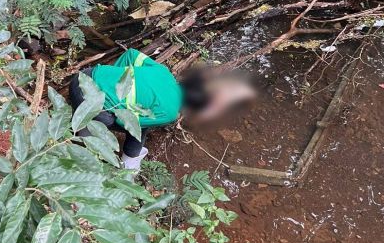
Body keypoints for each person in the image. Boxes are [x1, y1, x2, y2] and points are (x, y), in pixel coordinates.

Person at [67, 48, 256, 171]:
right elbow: (125, 121)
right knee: (113, 121)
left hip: (87, 75)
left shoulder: (165, 73)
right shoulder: (170, 113)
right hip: (85, 96)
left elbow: (131, 54)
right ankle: (84, 142)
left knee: (142, 118)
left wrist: (118, 80)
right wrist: (114, 99)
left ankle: (131, 156)